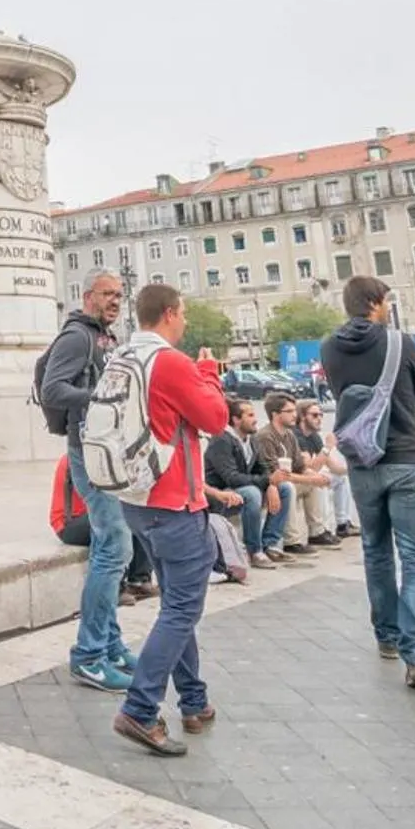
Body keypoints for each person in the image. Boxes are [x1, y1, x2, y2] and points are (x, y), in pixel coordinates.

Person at [110, 283, 229, 756]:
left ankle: (195, 703)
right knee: (182, 609)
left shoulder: (121, 359)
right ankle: (140, 708)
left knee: (179, 606)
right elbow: (216, 419)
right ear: (170, 314)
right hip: (176, 501)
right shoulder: (171, 362)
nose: (184, 321)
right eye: (182, 314)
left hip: (136, 499)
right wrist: (209, 373)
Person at [322, 276, 415, 691]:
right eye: (387, 299)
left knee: (375, 550)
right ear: (374, 302)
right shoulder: (398, 341)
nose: (389, 306)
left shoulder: (328, 347)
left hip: (361, 462)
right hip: (405, 457)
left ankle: (387, 637)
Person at [37, 271, 138, 693]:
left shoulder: (106, 337)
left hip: (107, 450)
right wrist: (102, 396)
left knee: (111, 546)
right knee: (115, 547)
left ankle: (111, 646)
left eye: (119, 294)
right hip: (89, 452)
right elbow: (52, 389)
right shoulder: (77, 337)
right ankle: (90, 655)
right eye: (107, 294)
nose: (114, 300)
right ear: (87, 297)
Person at [52, 454, 159, 597]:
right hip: (69, 523)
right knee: (116, 521)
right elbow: (103, 500)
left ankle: (139, 580)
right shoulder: (81, 458)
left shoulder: (105, 457)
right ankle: (115, 589)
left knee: (138, 514)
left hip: (92, 516)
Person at [254, 392, 335, 558]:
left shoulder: (289, 435)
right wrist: (311, 477)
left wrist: (315, 476)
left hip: (287, 479)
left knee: (316, 483)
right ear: (275, 414)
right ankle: (292, 541)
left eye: (294, 411)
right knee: (288, 487)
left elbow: (299, 466)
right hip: (269, 485)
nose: (294, 415)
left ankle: (317, 532)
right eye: (289, 411)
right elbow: (276, 475)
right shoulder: (265, 436)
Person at [202, 398, 280, 571]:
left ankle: (270, 543)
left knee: (284, 489)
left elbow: (263, 468)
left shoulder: (251, 439)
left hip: (240, 488)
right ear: (236, 420)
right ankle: (254, 550)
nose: (255, 419)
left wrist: (272, 484)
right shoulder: (222, 440)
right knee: (252, 493)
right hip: (218, 493)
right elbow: (231, 477)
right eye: (250, 415)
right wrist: (267, 481)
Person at [296, 400, 358, 538]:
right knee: (320, 481)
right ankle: (320, 530)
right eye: (315, 415)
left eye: (321, 415)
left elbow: (334, 466)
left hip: (308, 475)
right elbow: (311, 467)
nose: (319, 419)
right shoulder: (296, 435)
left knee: (340, 479)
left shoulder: (313, 436)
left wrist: (356, 467)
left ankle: (343, 524)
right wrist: (327, 447)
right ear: (302, 416)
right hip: (296, 477)